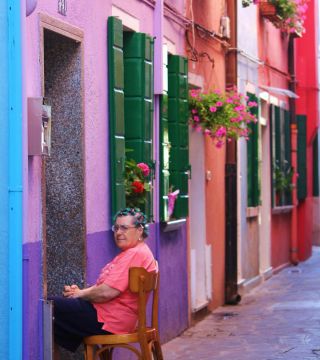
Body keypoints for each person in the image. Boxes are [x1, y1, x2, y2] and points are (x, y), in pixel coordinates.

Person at [51, 208, 157, 359]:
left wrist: (80, 294)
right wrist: (80, 292)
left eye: (124, 228)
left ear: (139, 230)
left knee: (49, 306)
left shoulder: (134, 254)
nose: (119, 232)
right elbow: (106, 286)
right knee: (60, 313)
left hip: (110, 320)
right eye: (116, 227)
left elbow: (107, 292)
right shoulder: (136, 251)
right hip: (111, 316)